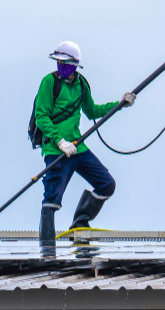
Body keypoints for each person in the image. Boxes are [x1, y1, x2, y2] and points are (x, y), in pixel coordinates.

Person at [33, 41, 136, 248]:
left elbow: (93, 111)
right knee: (51, 200)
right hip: (56, 150)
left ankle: (80, 221)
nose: (62, 67)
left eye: (66, 63)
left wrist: (119, 104)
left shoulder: (81, 85)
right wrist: (59, 141)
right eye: (59, 63)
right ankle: (47, 250)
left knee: (107, 183)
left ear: (74, 65)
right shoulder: (49, 82)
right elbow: (41, 116)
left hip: (77, 147)